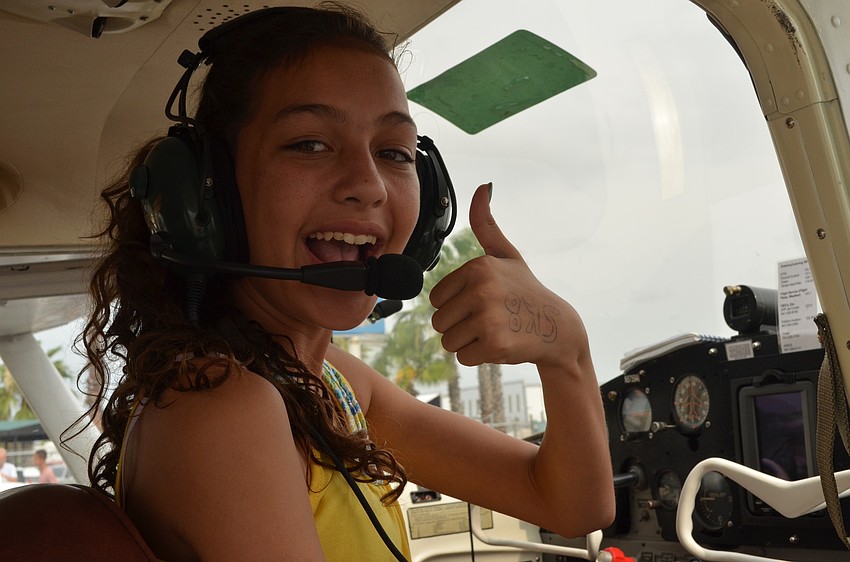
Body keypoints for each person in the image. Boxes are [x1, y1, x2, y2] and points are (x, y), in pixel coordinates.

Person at [77, 3, 614, 560]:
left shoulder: (330, 386)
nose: (369, 185)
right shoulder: (225, 410)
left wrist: (565, 349)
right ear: (209, 196)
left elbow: (568, 505)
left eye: (393, 153)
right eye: (310, 144)